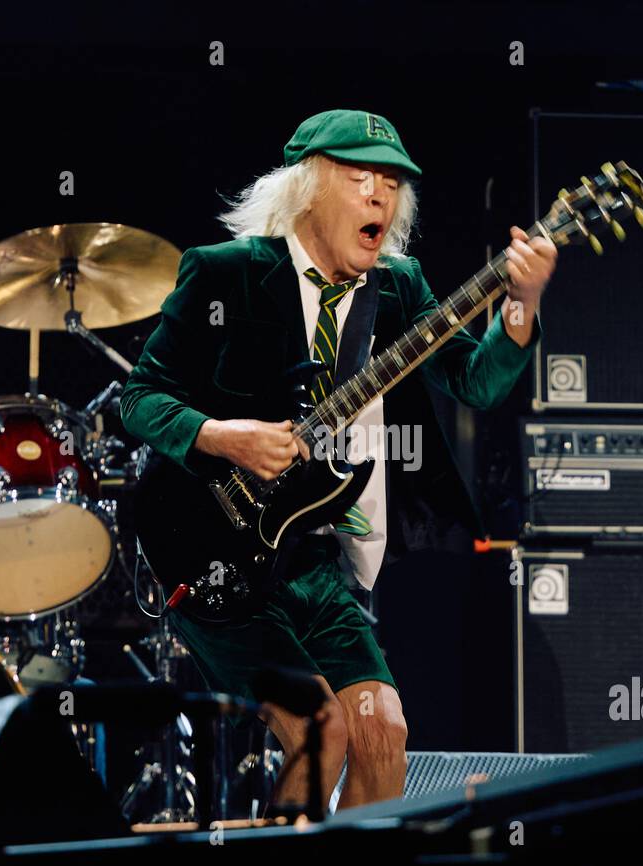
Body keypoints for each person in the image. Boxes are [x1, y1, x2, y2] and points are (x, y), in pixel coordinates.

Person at [121, 109, 557, 809]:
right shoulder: (226, 275)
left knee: (383, 730)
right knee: (320, 731)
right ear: (310, 188)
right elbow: (139, 399)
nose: (380, 196)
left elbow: (477, 383)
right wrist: (223, 434)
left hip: (316, 560)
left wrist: (521, 304)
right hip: (211, 552)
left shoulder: (399, 286)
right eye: (360, 178)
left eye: (392, 183)